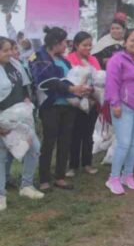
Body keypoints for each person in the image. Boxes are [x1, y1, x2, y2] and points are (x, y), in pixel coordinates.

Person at [31, 27, 91, 191]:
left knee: (65, 141)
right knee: (49, 142)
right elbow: (46, 81)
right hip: (50, 106)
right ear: (56, 43)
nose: (67, 45)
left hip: (68, 106)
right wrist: (71, 89)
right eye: (65, 42)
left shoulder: (63, 60)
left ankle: (60, 176)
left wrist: (81, 88)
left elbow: (71, 78)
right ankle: (44, 179)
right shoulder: (38, 57)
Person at [103, 29, 134, 195]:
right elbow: (111, 83)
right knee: (123, 143)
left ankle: (128, 175)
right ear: (125, 42)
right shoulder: (117, 60)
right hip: (123, 106)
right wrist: (115, 103)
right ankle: (113, 177)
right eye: (132, 40)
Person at [0, 37, 43, 210]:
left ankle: (26, 185)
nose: (10, 53)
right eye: (5, 50)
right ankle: (1, 195)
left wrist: (26, 98)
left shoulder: (16, 65)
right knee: (2, 156)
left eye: (11, 49)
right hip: (3, 120)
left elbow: (24, 86)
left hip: (21, 119)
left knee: (34, 148)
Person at [65, 32, 101, 178]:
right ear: (76, 45)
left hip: (91, 101)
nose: (88, 48)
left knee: (88, 133)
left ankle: (87, 163)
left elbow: (99, 78)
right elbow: (67, 80)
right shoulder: (69, 59)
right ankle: (72, 165)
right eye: (84, 45)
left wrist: (92, 89)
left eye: (89, 45)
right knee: (75, 134)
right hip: (75, 102)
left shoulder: (93, 60)